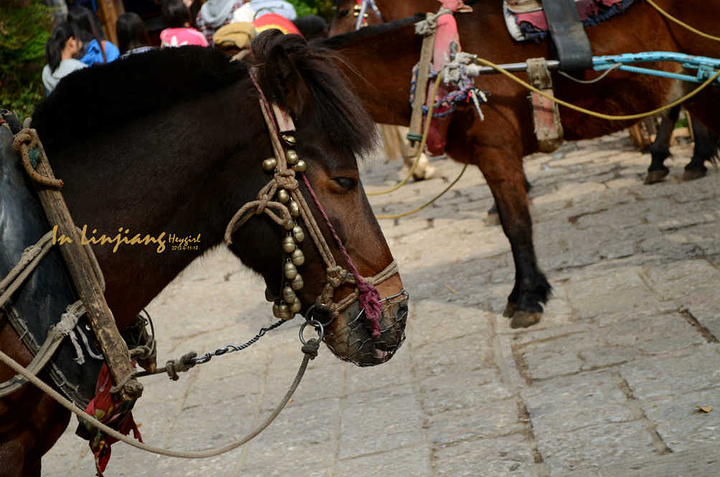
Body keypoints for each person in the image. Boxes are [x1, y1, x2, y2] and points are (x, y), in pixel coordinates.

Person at [42, 22, 87, 94]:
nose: (81, 43)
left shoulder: (46, 71)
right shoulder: (80, 68)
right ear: (71, 41)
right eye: (79, 39)